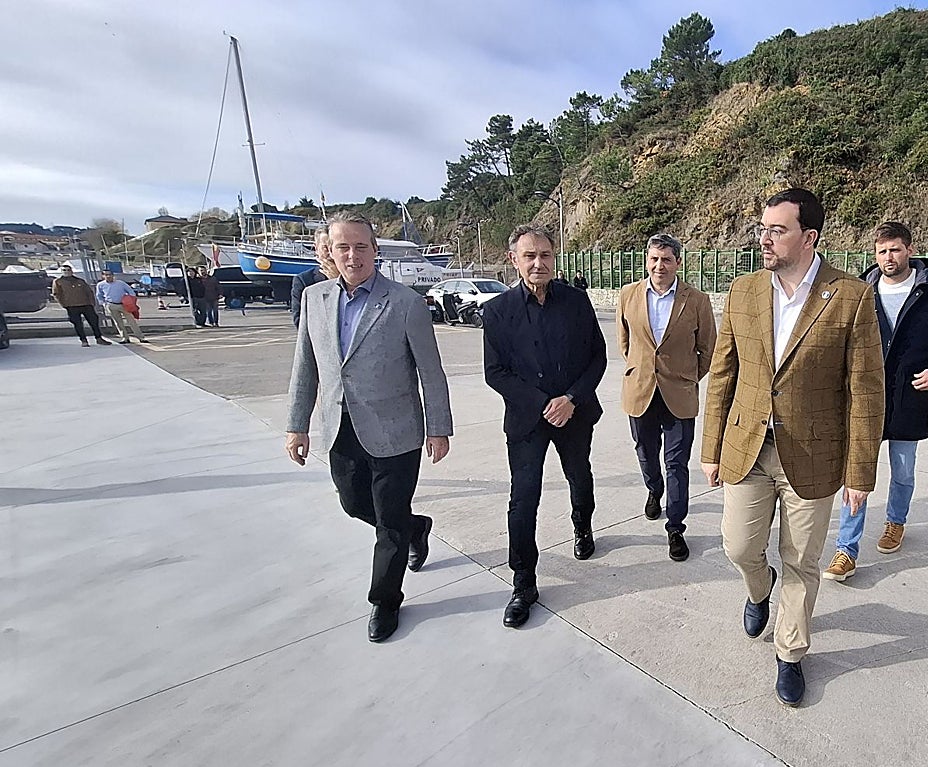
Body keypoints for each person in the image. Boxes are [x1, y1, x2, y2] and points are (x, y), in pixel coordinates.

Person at [701, 187, 885, 707]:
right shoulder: (743, 291)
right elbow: (723, 375)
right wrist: (711, 447)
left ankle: (791, 653)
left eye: (777, 230)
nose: (765, 238)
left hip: (815, 453)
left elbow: (866, 389)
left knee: (803, 560)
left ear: (810, 238)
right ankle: (759, 590)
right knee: (737, 546)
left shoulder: (850, 296)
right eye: (764, 228)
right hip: (748, 447)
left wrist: (860, 472)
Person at [285, 213, 453, 643]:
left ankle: (385, 600)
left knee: (389, 520)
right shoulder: (314, 299)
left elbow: (430, 372)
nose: (352, 255)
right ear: (330, 252)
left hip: (397, 430)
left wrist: (439, 427)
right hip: (340, 427)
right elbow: (306, 365)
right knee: (354, 504)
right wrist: (296, 425)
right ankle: (417, 528)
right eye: (343, 247)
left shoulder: (405, 302)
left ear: (375, 251)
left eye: (361, 247)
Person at [823, 222, 928, 582]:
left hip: (910, 395)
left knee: (903, 470)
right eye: (881, 251)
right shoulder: (862, 291)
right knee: (856, 471)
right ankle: (846, 549)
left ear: (909, 249)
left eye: (894, 249)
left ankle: (895, 522)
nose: (887, 257)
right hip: (865, 396)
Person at [483, 224, 606, 629]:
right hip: (527, 421)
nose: (539, 263)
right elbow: (495, 372)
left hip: (574, 414)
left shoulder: (575, 301)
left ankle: (582, 526)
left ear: (555, 258)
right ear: (513, 259)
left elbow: (598, 357)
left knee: (579, 477)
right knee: (523, 501)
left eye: (546, 255)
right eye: (530, 256)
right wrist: (542, 405)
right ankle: (523, 583)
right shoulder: (498, 311)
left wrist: (570, 399)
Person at [616, 233, 715, 561]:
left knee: (677, 462)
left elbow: (708, 349)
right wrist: (642, 371)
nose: (660, 266)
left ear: (678, 263)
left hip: (679, 394)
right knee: (645, 452)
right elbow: (625, 344)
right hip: (640, 391)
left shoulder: (696, 300)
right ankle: (653, 489)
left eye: (667, 260)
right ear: (647, 261)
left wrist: (686, 378)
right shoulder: (628, 295)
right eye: (654, 259)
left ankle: (675, 527)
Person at [52, 265, 111, 347]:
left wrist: (91, 302)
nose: (66, 271)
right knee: (77, 324)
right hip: (71, 306)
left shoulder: (80, 280)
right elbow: (56, 294)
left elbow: (89, 291)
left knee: (94, 320)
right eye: (64, 270)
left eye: (68, 270)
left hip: (86, 304)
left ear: (71, 271)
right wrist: (64, 304)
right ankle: (83, 340)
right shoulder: (58, 281)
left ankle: (98, 338)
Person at [290, 230, 334, 328]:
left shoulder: (355, 278)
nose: (331, 253)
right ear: (316, 248)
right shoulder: (304, 280)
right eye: (325, 248)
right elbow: (300, 322)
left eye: (334, 247)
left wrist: (338, 280)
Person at [96, 269, 148, 344]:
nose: (108, 276)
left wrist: (131, 300)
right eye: (106, 275)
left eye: (110, 274)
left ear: (113, 275)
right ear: (103, 276)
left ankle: (140, 337)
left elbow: (130, 291)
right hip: (111, 305)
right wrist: (104, 304)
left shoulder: (120, 283)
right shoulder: (100, 285)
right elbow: (99, 295)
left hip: (124, 305)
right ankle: (125, 338)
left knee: (131, 321)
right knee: (118, 322)